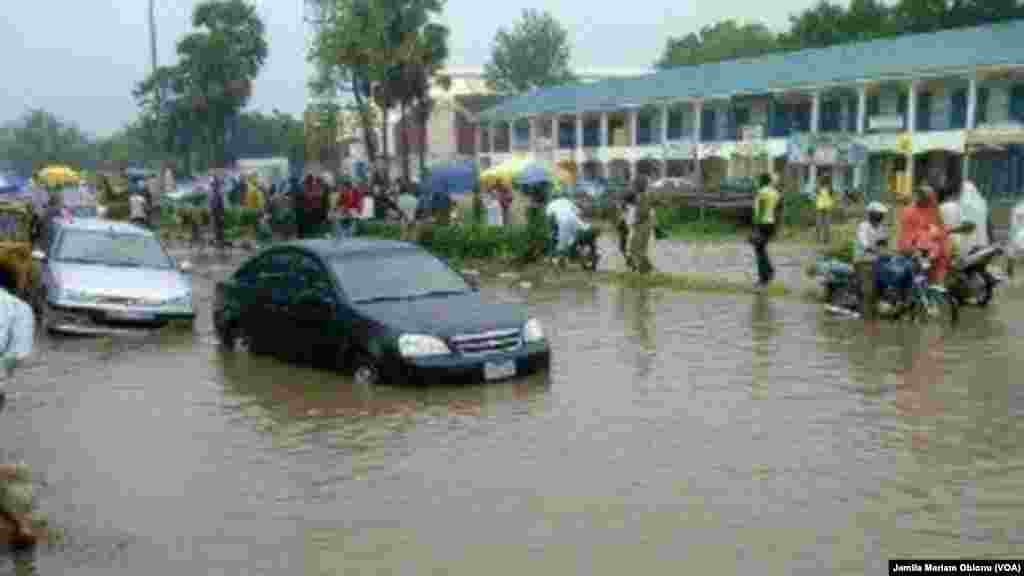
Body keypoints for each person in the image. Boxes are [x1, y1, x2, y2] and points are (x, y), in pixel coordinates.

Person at [897, 183, 949, 284]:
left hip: (932, 255)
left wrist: (944, 247)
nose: (920, 198)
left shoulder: (934, 212)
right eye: (919, 194)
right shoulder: (909, 211)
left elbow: (941, 231)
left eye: (924, 196)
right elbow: (906, 234)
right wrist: (910, 248)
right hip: (914, 253)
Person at [854, 202, 890, 317]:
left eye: (881, 215)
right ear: (871, 214)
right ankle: (865, 316)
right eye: (878, 214)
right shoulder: (863, 226)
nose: (880, 217)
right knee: (868, 291)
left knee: (885, 285)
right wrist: (871, 248)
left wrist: (888, 250)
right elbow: (863, 242)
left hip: (877, 261)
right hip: (863, 261)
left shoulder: (881, 227)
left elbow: (884, 243)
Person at [751, 172, 780, 289]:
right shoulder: (776, 193)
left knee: (759, 251)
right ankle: (768, 272)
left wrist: (756, 225)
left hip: (762, 223)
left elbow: (762, 208)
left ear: (762, 181)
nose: (758, 182)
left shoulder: (762, 192)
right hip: (771, 223)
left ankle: (764, 278)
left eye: (759, 180)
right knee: (761, 249)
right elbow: (778, 210)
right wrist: (777, 226)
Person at [545, 190, 590, 256]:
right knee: (576, 236)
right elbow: (579, 212)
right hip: (574, 220)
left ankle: (562, 255)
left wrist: (550, 226)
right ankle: (578, 251)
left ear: (553, 197)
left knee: (563, 241)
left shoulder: (551, 204)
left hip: (563, 222)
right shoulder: (567, 201)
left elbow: (548, 217)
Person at [815, 174, 834, 244]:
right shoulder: (818, 188)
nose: (824, 180)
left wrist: (828, 187)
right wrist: (819, 184)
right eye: (824, 179)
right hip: (820, 208)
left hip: (827, 208)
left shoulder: (830, 188)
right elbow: (816, 191)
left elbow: (831, 194)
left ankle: (826, 239)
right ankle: (818, 238)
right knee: (819, 224)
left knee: (827, 224)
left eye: (826, 179)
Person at [209, 173, 226, 249]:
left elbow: (220, 205)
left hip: (218, 214)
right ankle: (218, 242)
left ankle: (220, 243)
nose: (213, 186)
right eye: (212, 185)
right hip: (215, 214)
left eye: (213, 185)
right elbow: (212, 204)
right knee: (217, 229)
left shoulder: (218, 193)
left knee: (219, 229)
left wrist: (221, 214)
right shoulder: (213, 193)